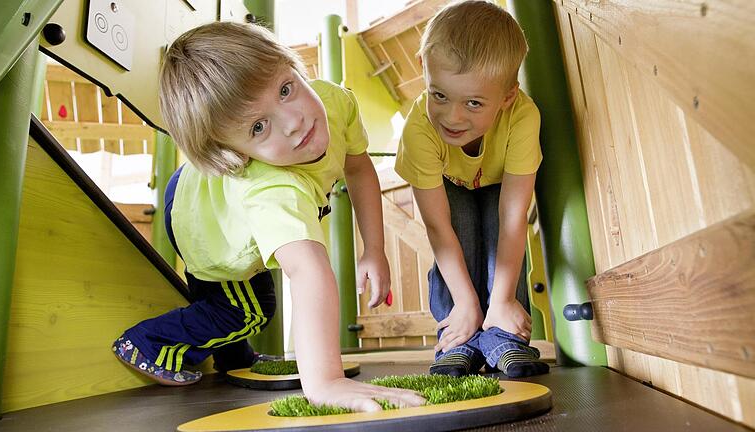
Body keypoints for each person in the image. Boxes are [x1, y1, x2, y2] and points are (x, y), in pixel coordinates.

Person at [112, 21, 424, 412]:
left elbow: (359, 167)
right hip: (199, 223)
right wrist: (326, 381)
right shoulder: (272, 189)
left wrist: (374, 249)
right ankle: (148, 341)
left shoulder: (334, 102)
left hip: (201, 192)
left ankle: (233, 359)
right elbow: (309, 272)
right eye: (259, 127)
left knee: (240, 302)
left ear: (292, 65)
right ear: (235, 155)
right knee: (248, 308)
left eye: (285, 89)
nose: (294, 122)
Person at [395, 0, 549, 378]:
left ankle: (503, 337)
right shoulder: (419, 130)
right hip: (450, 187)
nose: (452, 116)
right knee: (460, 223)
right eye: (439, 95)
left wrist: (501, 300)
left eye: (474, 103)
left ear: (507, 97)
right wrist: (465, 303)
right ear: (423, 68)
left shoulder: (523, 116)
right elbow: (437, 226)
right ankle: (457, 338)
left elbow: (514, 216)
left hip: (501, 188)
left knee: (499, 234)